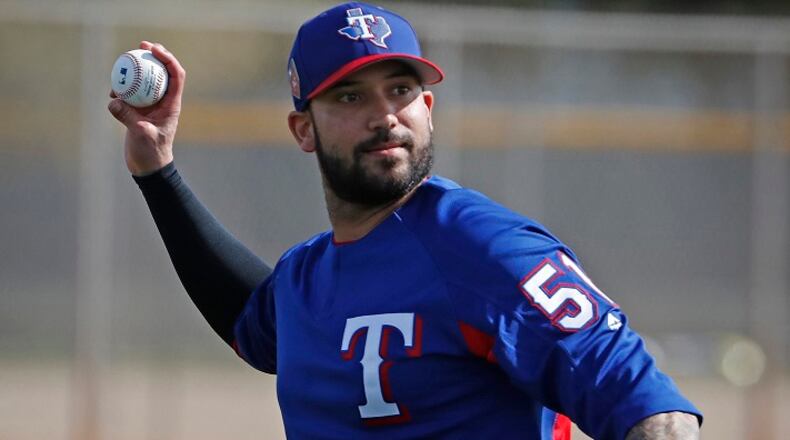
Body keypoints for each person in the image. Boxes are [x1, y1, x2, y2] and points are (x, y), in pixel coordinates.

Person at [108, 2, 702, 439]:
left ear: (428, 110)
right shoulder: (306, 279)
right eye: (350, 96)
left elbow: (653, 411)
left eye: (400, 89)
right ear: (303, 129)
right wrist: (157, 170)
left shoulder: (483, 248)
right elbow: (250, 318)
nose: (385, 115)